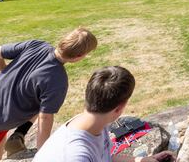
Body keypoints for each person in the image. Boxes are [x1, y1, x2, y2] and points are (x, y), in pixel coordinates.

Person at [0, 28, 98, 162]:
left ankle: (18, 136)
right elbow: (45, 118)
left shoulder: (36, 45)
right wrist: (43, 152)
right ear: (78, 57)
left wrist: (2, 69)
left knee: (41, 103)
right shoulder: (58, 81)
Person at [33, 66, 174, 162]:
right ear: (119, 109)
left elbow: (106, 157)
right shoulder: (74, 155)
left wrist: (141, 160)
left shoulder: (94, 122)